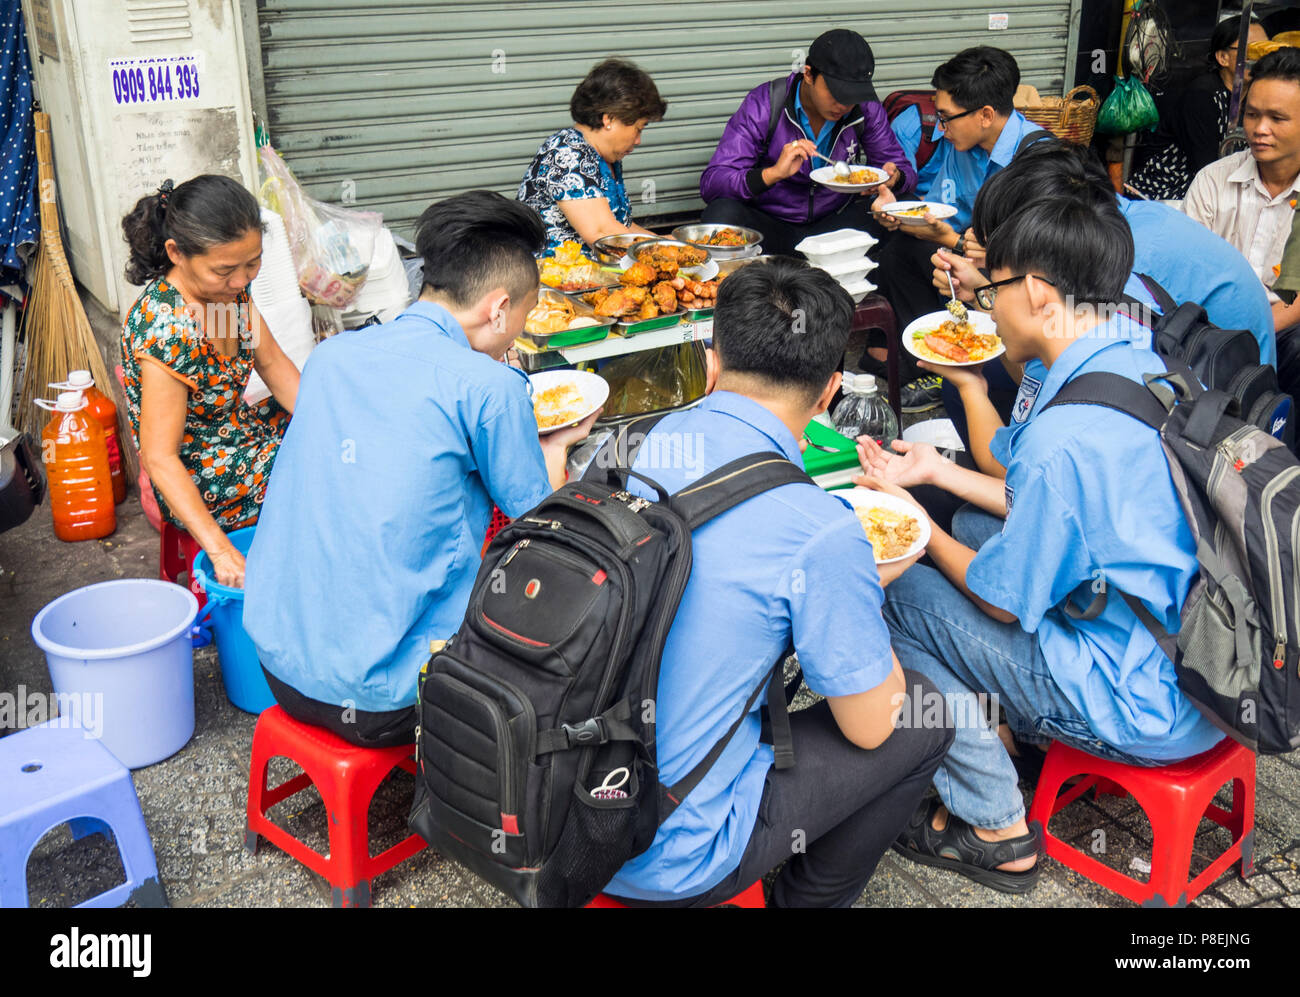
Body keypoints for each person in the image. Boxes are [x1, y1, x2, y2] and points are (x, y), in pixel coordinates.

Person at [862, 196, 1222, 894]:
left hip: (1143, 706)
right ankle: (995, 728)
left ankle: (993, 823)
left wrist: (913, 518)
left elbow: (1000, 603)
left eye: (991, 289)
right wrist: (939, 472)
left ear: (1034, 291)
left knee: (889, 585)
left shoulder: (1063, 440)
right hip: (1202, 665)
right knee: (971, 529)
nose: (986, 308)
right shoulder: (1140, 360)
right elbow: (1063, 513)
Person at [603, 257, 952, 907]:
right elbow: (870, 728)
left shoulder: (624, 445)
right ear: (830, 393)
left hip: (561, 801)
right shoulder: (821, 530)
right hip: (672, 854)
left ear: (711, 360)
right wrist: (866, 590)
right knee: (923, 717)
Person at [243, 192, 598, 747]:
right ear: (499, 308)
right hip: (384, 699)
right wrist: (555, 451)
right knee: (566, 591)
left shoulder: (332, 357)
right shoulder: (489, 388)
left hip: (276, 668)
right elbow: (541, 523)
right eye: (525, 318)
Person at [931, 140, 1276, 451]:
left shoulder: (1108, 279)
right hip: (1212, 374)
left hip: (1219, 410)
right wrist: (987, 294)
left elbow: (1049, 382)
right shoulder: (1121, 230)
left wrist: (972, 379)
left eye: (1004, 254)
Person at [119, 174, 300, 588]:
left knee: (336, 426)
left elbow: (271, 365)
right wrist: (220, 550)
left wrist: (336, 429)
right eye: (226, 270)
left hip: (237, 433)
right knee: (315, 472)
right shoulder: (167, 330)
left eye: (252, 263)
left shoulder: (223, 296)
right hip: (198, 472)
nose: (241, 281)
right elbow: (160, 458)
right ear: (176, 253)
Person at [872, 46, 1044, 412]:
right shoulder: (961, 145)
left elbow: (1031, 259)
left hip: (1019, 276)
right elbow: (938, 209)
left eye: (947, 118)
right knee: (900, 252)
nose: (942, 129)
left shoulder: (1038, 160)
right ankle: (935, 356)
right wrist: (900, 214)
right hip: (972, 254)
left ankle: (982, 364)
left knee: (950, 259)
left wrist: (948, 240)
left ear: (985, 115)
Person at [698, 29, 915, 258]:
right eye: (836, 93)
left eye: (853, 95)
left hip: (836, 227)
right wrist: (772, 174)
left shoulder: (865, 108)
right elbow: (713, 183)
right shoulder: (766, 103)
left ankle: (871, 282)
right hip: (773, 227)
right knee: (721, 214)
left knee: (905, 206)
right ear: (809, 75)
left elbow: (903, 170)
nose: (844, 104)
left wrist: (894, 178)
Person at [1184, 47, 1300, 336]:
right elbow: (1187, 269)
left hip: (1284, 328)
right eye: (1252, 115)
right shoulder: (1213, 181)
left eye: (1277, 118)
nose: (1260, 129)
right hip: (1209, 326)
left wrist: (1250, 337)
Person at [517, 59, 666, 251]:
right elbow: (603, 234)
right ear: (609, 119)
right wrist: (672, 252)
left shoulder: (603, 158)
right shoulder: (567, 153)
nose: (638, 140)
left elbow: (623, 226)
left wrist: (677, 245)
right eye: (638, 129)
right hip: (554, 275)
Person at [1128, 15, 1270, 200]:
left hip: (1224, 186)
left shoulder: (1253, 96)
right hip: (1171, 189)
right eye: (1251, 51)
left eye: (1266, 50)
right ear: (1222, 57)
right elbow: (1206, 166)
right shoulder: (1203, 95)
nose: (1260, 58)